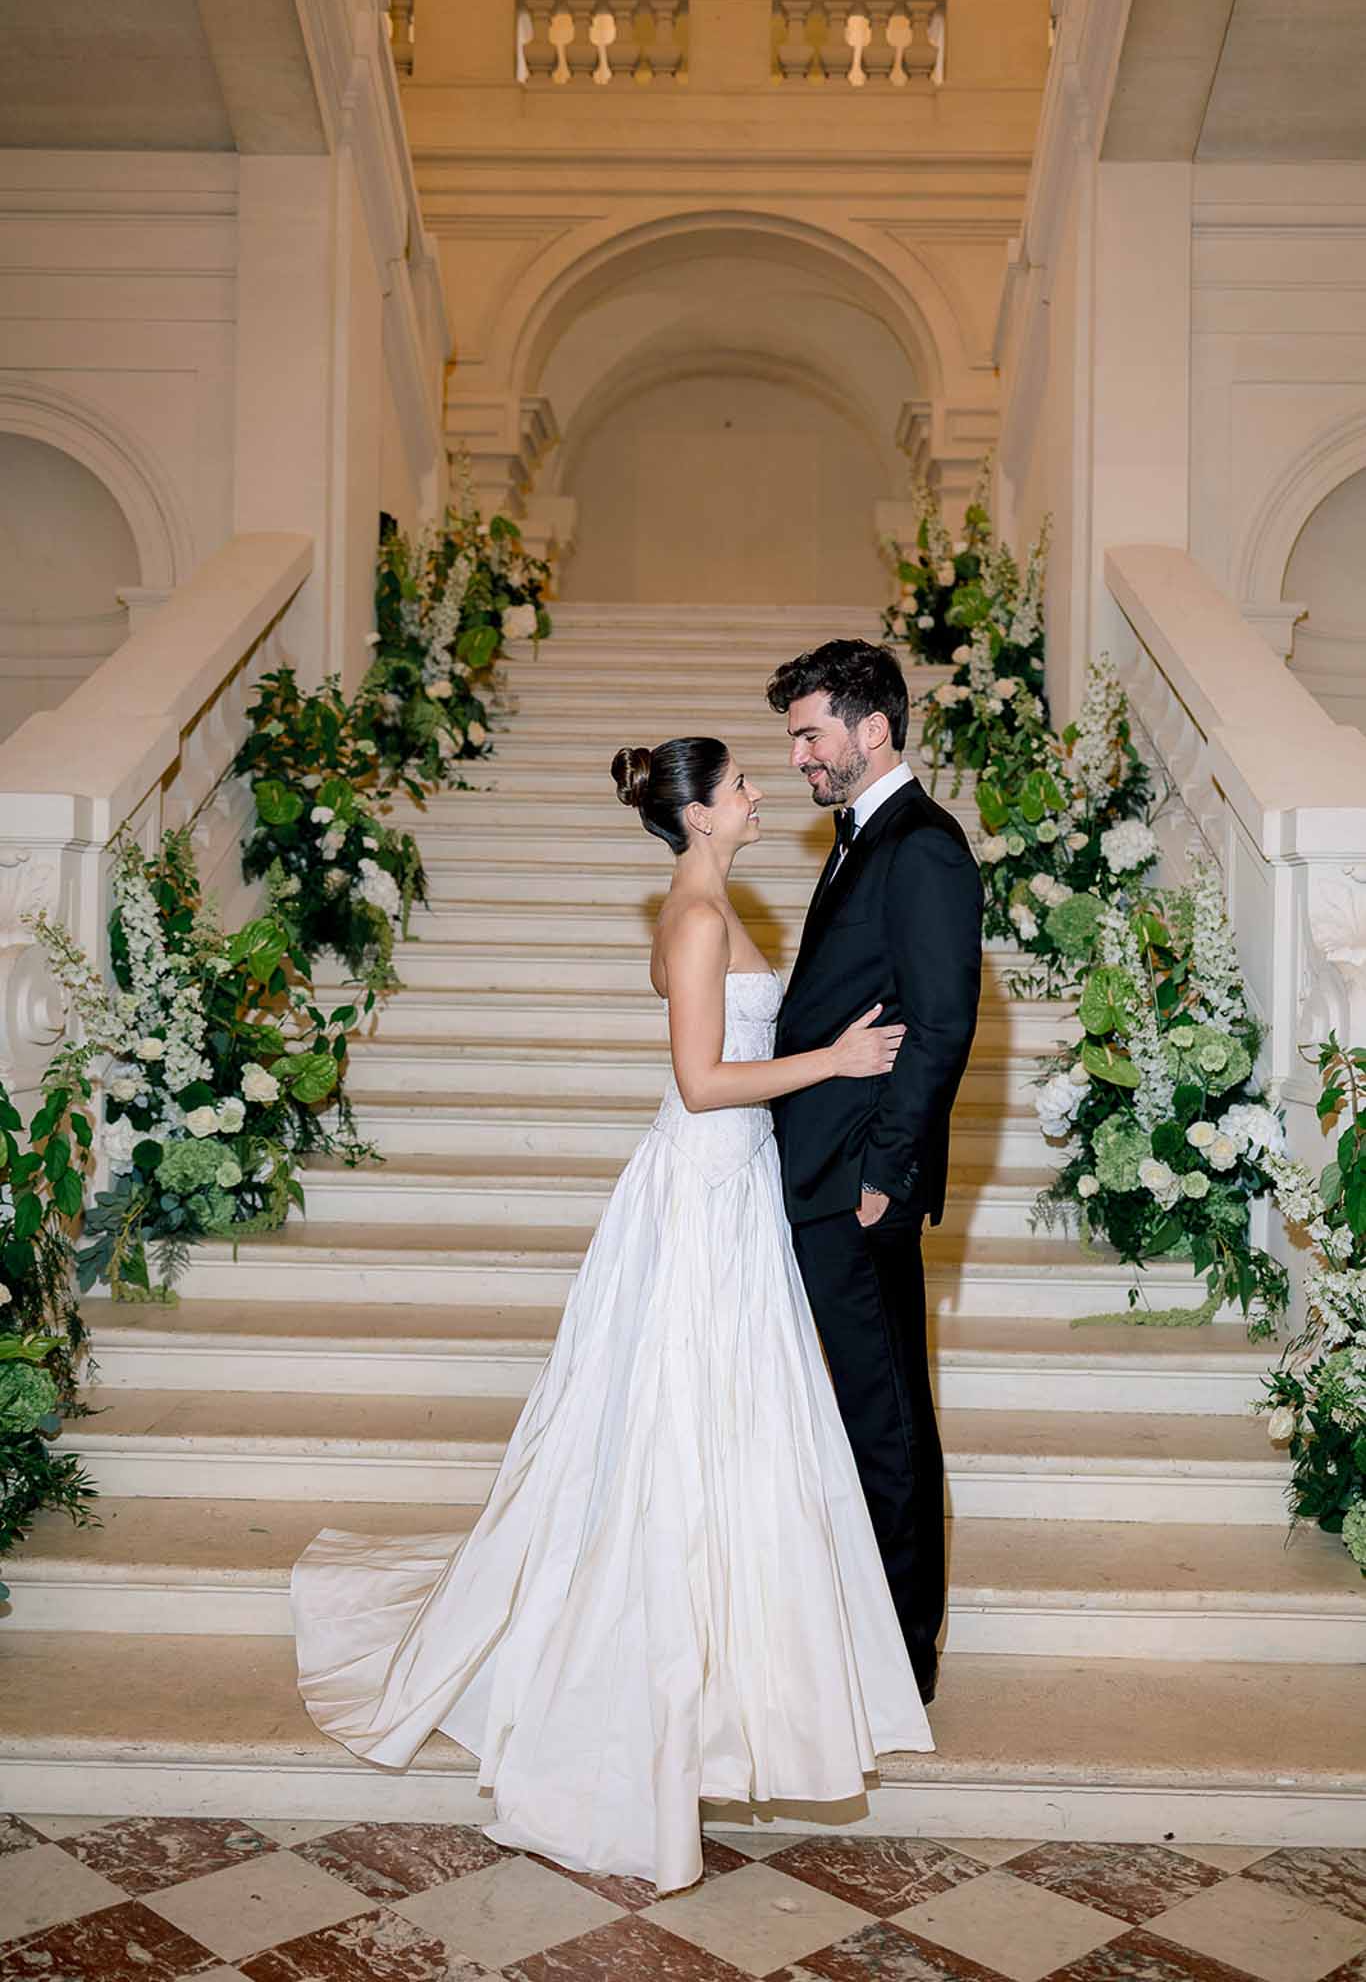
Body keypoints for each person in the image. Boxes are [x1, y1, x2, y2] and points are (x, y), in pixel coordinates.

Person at [291, 735, 933, 1896]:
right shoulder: (694, 921)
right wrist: (833, 1060)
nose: (755, 794)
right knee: (671, 1433)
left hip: (732, 1184)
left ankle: (731, 1682)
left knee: (730, 1431)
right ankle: (641, 1699)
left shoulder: (716, 900)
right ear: (696, 817)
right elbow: (701, 1079)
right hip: (698, 1184)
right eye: (738, 784)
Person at [766, 640, 983, 1708]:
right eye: (795, 736)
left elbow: (942, 1023)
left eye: (810, 733)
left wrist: (884, 1173)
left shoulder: (924, 846)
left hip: (861, 1180)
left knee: (888, 1413)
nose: (800, 755)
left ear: (872, 729)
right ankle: (875, 1628)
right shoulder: (859, 838)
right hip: (821, 1168)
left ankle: (906, 1651)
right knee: (861, 1409)